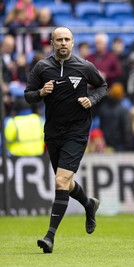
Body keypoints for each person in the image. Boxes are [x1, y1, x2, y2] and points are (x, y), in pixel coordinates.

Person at [24, 26, 108, 254]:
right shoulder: (42, 67)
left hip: (78, 131)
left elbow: (102, 86)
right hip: (53, 132)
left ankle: (50, 236)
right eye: (59, 39)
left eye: (67, 39)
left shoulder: (84, 66)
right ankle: (89, 205)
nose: (63, 43)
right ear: (52, 43)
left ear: (72, 43)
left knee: (60, 182)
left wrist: (92, 99)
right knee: (66, 183)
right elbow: (28, 95)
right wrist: (41, 92)